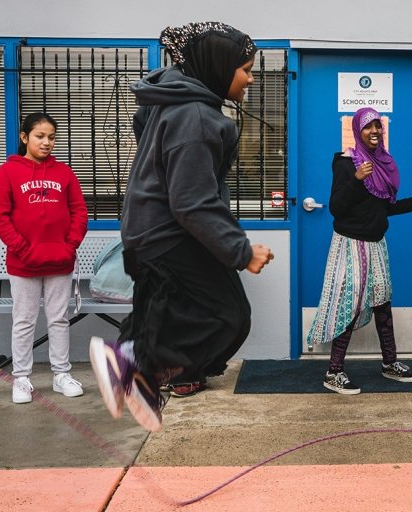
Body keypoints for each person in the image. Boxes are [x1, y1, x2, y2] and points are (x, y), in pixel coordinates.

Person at [89, 22, 274, 432]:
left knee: (159, 314)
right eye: (245, 68)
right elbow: (192, 201)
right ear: (218, 68)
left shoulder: (169, 101)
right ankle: (135, 369)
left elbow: (148, 139)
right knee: (228, 316)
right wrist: (242, 252)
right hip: (169, 234)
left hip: (144, 232)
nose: (251, 77)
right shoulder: (196, 118)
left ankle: (132, 367)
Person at [307, 107, 412, 394]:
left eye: (378, 126)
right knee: (349, 305)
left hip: (377, 244)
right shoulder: (345, 162)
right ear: (358, 130)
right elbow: (336, 208)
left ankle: (389, 363)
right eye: (368, 127)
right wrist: (355, 179)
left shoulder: (384, 163)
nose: (375, 131)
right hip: (350, 244)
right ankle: (334, 372)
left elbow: (386, 208)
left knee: (382, 304)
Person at [0, 112, 88, 404]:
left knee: (58, 319)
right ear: (24, 138)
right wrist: (21, 247)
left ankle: (61, 375)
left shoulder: (64, 173)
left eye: (51, 137)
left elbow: (79, 212)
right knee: (24, 320)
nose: (46, 143)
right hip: (24, 263)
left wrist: (69, 245)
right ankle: (21, 379)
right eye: (40, 136)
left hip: (59, 261)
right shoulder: (8, 172)